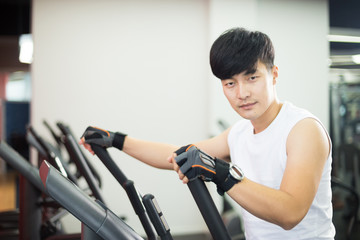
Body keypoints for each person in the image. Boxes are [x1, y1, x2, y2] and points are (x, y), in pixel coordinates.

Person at [79, 27, 335, 239]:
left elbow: (290, 213)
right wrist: (117, 140)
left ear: (274, 74)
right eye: (230, 84)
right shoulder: (240, 132)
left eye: (252, 78)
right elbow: (176, 155)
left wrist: (225, 175)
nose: (241, 93)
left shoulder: (302, 129)